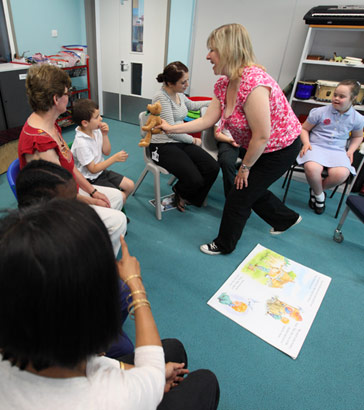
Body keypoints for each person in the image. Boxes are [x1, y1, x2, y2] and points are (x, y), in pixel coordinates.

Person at [0, 199, 220, 409]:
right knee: (205, 382)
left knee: (173, 349)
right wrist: (135, 284)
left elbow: (99, 366)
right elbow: (150, 374)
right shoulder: (114, 398)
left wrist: (145, 375)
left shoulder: (35, 337)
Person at [158, 24, 302, 255]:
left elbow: (262, 135)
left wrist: (245, 167)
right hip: (261, 146)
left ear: (229, 50)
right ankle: (286, 218)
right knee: (250, 189)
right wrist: (171, 128)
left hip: (280, 148)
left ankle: (224, 244)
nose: (207, 56)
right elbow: (207, 121)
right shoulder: (225, 83)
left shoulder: (254, 84)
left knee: (239, 194)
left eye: (212, 50)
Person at [15, 159, 134, 358]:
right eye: (71, 202)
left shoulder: (57, 228)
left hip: (73, 303)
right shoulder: (32, 254)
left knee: (123, 292)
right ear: (45, 207)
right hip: (55, 330)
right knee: (125, 349)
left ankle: (106, 329)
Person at [17, 64, 127, 256]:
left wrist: (92, 191)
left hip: (66, 191)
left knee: (116, 197)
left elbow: (68, 166)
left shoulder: (50, 124)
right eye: (67, 93)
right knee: (119, 221)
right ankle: (88, 265)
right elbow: (59, 193)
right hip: (52, 209)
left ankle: (89, 243)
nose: (69, 98)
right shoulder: (40, 141)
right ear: (56, 99)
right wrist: (90, 201)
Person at [150, 61, 219, 212]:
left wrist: (217, 102)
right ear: (169, 83)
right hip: (162, 145)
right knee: (194, 178)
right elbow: (171, 130)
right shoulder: (161, 98)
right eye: (183, 82)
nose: (187, 84)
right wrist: (193, 140)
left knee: (212, 168)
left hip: (180, 141)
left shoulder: (178, 94)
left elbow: (193, 105)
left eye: (187, 80)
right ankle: (180, 192)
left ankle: (189, 198)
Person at [296, 79, 364, 214]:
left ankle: (316, 190)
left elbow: (357, 136)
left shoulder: (358, 118)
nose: (336, 98)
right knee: (312, 168)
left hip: (337, 150)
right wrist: (306, 143)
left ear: (353, 98)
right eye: (335, 95)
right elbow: (304, 129)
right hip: (315, 146)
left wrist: (351, 150)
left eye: (342, 96)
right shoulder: (319, 112)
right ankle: (320, 196)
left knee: (341, 174)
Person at [71, 98, 135, 205]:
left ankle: (117, 206)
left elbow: (106, 151)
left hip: (101, 172)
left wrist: (105, 135)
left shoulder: (95, 131)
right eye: (96, 117)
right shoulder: (81, 143)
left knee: (130, 185)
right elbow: (93, 169)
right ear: (85, 123)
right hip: (90, 179)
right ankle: (116, 210)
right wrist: (114, 159)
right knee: (121, 196)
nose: (101, 119)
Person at [214, 119, 244, 197]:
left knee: (261, 162)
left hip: (247, 143)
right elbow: (217, 133)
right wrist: (230, 140)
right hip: (228, 141)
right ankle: (233, 198)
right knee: (226, 162)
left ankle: (249, 198)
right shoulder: (225, 110)